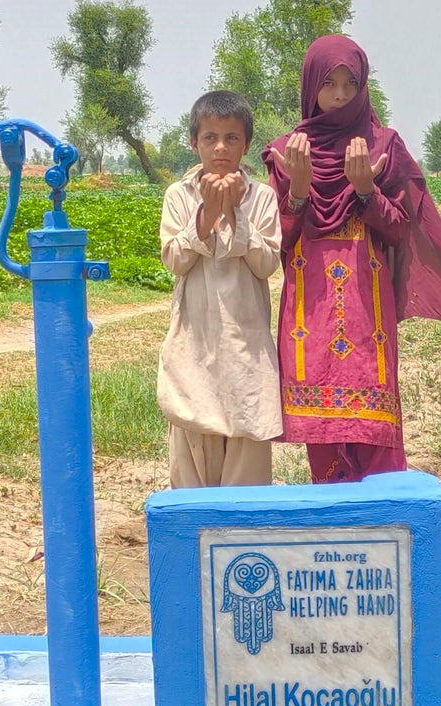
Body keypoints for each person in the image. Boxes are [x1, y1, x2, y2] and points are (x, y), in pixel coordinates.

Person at [263, 35, 441, 484]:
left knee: (376, 432)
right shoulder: (288, 153)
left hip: (368, 314)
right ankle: (335, 542)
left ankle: (382, 533)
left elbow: (402, 228)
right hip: (310, 314)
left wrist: (366, 190)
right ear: (310, 86)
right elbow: (277, 241)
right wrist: (300, 190)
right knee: (323, 441)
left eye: (350, 82)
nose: (340, 95)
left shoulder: (382, 145)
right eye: (329, 84)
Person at [158, 90, 282, 488]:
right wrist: (207, 216)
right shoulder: (179, 195)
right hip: (195, 341)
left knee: (246, 447)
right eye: (210, 137)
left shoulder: (261, 197)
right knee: (193, 443)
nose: (221, 147)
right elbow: (175, 260)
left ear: (246, 144)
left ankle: (243, 547)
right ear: (194, 143)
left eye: (231, 138)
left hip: (246, 345)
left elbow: (266, 264)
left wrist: (234, 216)